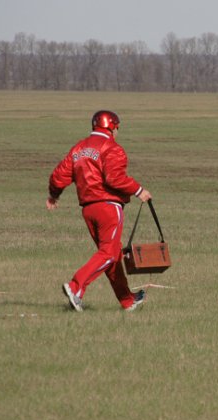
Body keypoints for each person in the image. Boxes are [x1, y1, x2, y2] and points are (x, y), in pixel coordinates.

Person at [47, 110, 152, 311]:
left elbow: (59, 175)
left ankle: (127, 300)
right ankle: (75, 287)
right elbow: (115, 178)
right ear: (111, 127)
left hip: (88, 209)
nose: (117, 132)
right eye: (117, 128)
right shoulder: (112, 148)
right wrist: (139, 191)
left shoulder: (79, 148)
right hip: (108, 207)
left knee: (110, 255)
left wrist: (54, 195)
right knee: (109, 254)